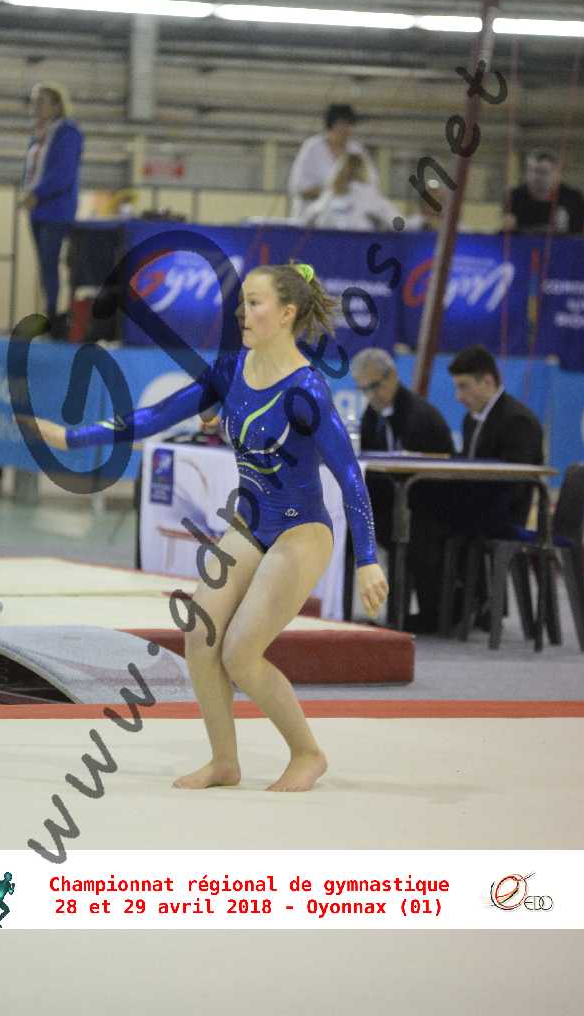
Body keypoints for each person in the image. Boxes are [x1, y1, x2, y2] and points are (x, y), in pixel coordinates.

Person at [25, 262, 388, 792]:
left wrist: (368, 560)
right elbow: (155, 416)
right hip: (251, 523)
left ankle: (308, 753)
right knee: (200, 634)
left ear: (287, 313)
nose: (243, 312)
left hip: (301, 531)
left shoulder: (307, 390)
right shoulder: (229, 370)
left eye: (255, 303)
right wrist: (69, 437)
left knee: (241, 652)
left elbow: (350, 476)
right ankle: (224, 761)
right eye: (242, 302)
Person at [351, 347, 454, 633]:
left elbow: (430, 479)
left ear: (392, 376)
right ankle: (341, 608)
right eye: (363, 389)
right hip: (395, 502)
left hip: (431, 506)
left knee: (407, 529)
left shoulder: (420, 416)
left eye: (374, 386)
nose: (371, 395)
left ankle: (419, 614)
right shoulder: (372, 414)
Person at [448, 344, 544, 534]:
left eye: (464, 387)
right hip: (474, 513)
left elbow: (515, 487)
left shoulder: (518, 421)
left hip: (502, 522)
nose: (458, 397)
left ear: (487, 381)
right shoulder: (471, 419)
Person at [19, 83, 84, 323]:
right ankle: (51, 311)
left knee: (51, 260)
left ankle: (55, 314)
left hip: (56, 209)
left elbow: (63, 173)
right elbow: (32, 170)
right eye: (33, 101)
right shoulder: (39, 134)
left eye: (41, 101)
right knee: (45, 264)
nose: (35, 106)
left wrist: (36, 193)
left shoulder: (68, 133)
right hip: (37, 208)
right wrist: (27, 193)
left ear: (57, 105)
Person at [288, 103, 379, 225]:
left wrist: (351, 195)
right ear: (330, 125)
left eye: (349, 125)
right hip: (311, 220)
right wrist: (333, 193)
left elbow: (371, 184)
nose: (345, 130)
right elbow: (299, 186)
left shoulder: (357, 150)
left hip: (348, 221)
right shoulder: (312, 148)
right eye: (341, 124)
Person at [501, 149, 584, 237]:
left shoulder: (574, 198)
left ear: (557, 174)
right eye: (531, 170)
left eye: (542, 172)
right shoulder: (515, 197)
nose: (535, 177)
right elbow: (505, 234)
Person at [303, 153, 403, 232]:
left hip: (329, 247)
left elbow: (306, 220)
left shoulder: (327, 197)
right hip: (359, 246)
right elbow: (398, 224)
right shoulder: (369, 195)